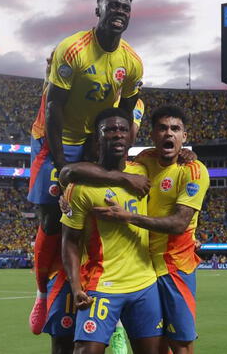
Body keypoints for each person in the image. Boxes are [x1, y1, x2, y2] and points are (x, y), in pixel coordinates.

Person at [26, 0, 144, 337]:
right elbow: (54, 107)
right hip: (54, 137)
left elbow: (126, 108)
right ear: (99, 11)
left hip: (94, 138)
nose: (119, 11)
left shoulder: (132, 62)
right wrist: (62, 163)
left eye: (125, 6)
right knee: (50, 218)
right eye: (113, 6)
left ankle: (107, 287)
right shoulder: (72, 49)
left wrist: (105, 144)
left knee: (96, 213)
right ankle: (42, 292)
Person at [92, 106, 209, 354]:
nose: (169, 134)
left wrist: (129, 217)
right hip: (143, 269)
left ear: (184, 137)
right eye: (163, 128)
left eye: (176, 129)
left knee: (181, 343)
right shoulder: (144, 159)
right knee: (155, 343)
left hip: (175, 267)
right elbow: (110, 169)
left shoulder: (193, 171)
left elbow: (179, 224)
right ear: (153, 134)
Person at [60, 108, 162, 354]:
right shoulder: (80, 186)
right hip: (102, 285)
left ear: (131, 137)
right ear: (98, 138)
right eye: (110, 130)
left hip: (144, 284)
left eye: (123, 129)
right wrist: (76, 287)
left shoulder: (143, 170)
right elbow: (70, 242)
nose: (117, 135)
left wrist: (187, 154)